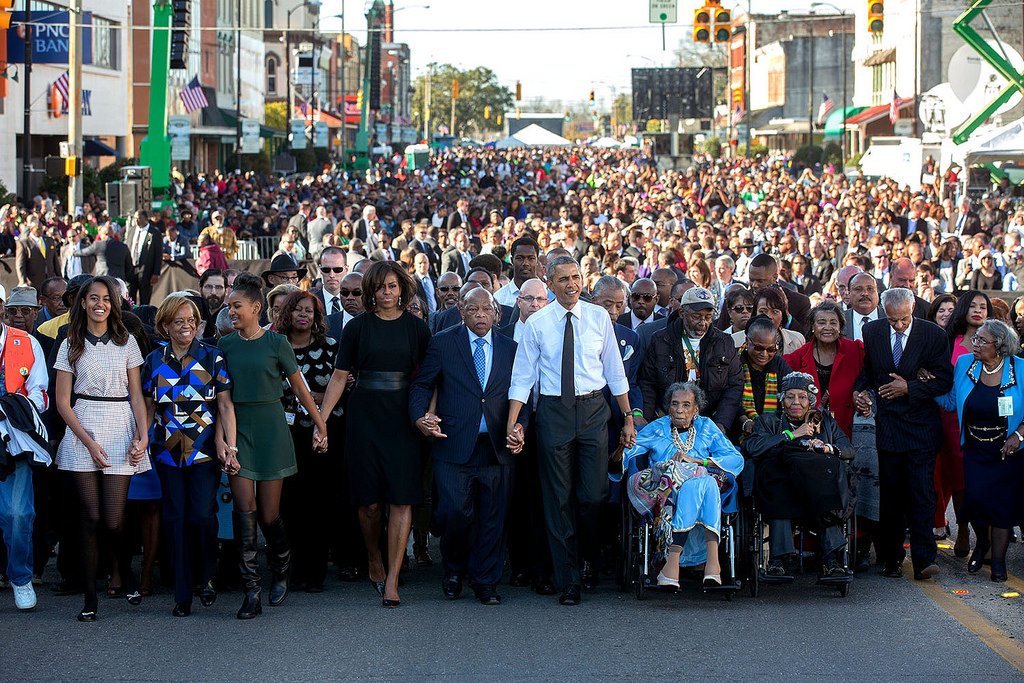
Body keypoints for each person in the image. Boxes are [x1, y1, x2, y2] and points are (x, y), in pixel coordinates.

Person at [507, 255, 635, 606]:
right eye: (563, 279)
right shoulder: (538, 323)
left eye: (576, 277)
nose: (571, 284)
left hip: (594, 410)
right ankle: (569, 578)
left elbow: (615, 371)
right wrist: (513, 422)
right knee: (557, 498)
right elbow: (522, 377)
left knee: (593, 496)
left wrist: (626, 418)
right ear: (549, 283)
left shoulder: (598, 318)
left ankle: (587, 556)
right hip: (552, 412)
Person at [318, 261, 431, 608]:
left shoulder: (417, 329)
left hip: (403, 418)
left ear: (402, 289)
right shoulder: (357, 329)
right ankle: (373, 557)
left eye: (393, 286)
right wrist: (321, 422)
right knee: (368, 503)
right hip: (364, 415)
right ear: (371, 290)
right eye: (380, 287)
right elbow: (339, 377)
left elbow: (428, 379)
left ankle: (393, 578)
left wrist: (425, 415)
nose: (386, 292)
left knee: (400, 498)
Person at [218, 272, 327, 619]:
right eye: (228, 307)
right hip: (239, 431)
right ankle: (251, 591)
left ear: (254, 307)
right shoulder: (225, 345)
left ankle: (282, 566)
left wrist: (321, 424)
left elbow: (299, 388)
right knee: (244, 511)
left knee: (268, 514)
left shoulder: (276, 343)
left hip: (272, 430)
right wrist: (225, 441)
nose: (231, 312)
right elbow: (221, 401)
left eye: (236, 306)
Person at [410, 287, 526, 605]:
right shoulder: (443, 342)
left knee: (493, 516)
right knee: (454, 514)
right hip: (454, 445)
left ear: (497, 313)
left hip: (496, 446)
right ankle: (454, 571)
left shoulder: (511, 348)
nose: (479, 315)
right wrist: (420, 416)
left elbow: (522, 392)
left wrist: (520, 426)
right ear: (461, 311)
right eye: (472, 309)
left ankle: (485, 581)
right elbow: (422, 384)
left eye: (486, 309)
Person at [54, 276, 150, 622]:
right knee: (90, 518)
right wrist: (89, 442)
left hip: (120, 423)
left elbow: (137, 395)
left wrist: (143, 436)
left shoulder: (127, 342)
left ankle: (126, 570)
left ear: (114, 303)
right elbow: (63, 403)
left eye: (106, 298)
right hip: (83, 426)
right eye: (93, 298)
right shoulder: (70, 343)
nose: (99, 304)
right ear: (82, 303)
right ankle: (90, 597)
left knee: (113, 520)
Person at [142, 295, 235, 617]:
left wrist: (228, 444)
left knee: (202, 516)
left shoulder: (213, 357)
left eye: (192, 321)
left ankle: (207, 576)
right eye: (179, 321)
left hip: (205, 449)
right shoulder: (154, 360)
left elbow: (224, 405)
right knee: (174, 519)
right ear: (166, 325)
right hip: (167, 452)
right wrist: (142, 440)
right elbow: (148, 407)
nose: (186, 327)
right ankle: (182, 594)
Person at [854, 287, 953, 581]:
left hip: (921, 426)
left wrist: (909, 387)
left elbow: (944, 381)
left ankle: (924, 559)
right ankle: (891, 557)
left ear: (912, 312)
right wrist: (861, 392)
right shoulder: (872, 332)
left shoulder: (933, 335)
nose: (898, 325)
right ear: (884, 313)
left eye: (903, 320)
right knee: (892, 496)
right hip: (889, 426)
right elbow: (869, 372)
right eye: (892, 320)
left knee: (921, 494)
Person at [623, 382, 743, 588]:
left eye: (686, 405)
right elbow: (630, 451)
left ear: (696, 409)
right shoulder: (658, 428)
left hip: (704, 486)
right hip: (668, 488)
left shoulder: (706, 427)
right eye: (675, 404)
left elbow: (735, 458)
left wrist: (698, 462)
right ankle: (712, 564)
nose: (679, 410)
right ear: (668, 407)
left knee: (702, 480)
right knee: (700, 483)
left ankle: (672, 564)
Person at [744, 372, 855, 583]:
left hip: (817, 490)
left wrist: (827, 447)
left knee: (829, 489)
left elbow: (848, 449)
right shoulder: (769, 421)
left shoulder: (826, 423)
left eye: (802, 397)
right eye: (790, 397)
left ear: (810, 401)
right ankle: (778, 560)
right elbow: (752, 447)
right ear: (782, 400)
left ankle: (832, 561)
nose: (796, 402)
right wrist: (791, 435)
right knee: (777, 485)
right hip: (781, 490)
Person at [936, 320, 1024, 583]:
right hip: (975, 449)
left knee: (1003, 506)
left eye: (981, 341)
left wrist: (1019, 435)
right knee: (976, 502)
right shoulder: (965, 365)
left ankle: (998, 561)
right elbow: (951, 401)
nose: (974, 344)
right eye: (975, 340)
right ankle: (982, 544)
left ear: (998, 345)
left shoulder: (1020, 369)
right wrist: (926, 386)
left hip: (1008, 451)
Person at [276, 290, 342, 593]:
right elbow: (274, 391)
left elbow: (340, 390)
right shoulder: (276, 346)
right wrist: (314, 395)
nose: (304, 315)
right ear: (288, 313)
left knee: (318, 504)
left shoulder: (329, 348)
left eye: (310, 312)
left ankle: (314, 573)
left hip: (322, 434)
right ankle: (289, 570)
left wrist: (312, 400)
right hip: (283, 435)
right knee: (289, 505)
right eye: (298, 310)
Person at [0, 284, 50, 611]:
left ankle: (20, 577)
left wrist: (10, 407)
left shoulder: (27, 343)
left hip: (13, 440)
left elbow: (41, 395)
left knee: (17, 514)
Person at [639, 286, 742, 434]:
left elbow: (734, 385)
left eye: (708, 317)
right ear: (682, 313)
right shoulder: (661, 340)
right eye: (696, 316)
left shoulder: (724, 342)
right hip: (668, 420)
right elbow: (647, 382)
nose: (702, 323)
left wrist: (721, 423)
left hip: (710, 421)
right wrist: (647, 422)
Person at [936, 290, 992, 553]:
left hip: (988, 418)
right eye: (973, 306)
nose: (978, 310)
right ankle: (963, 530)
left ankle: (987, 535)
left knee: (984, 478)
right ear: (964, 310)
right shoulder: (950, 340)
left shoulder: (997, 342)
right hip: (952, 419)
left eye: (983, 306)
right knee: (959, 479)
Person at [784, 300, 865, 438]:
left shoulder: (855, 350)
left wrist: (862, 392)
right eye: (821, 322)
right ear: (812, 327)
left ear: (840, 327)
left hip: (846, 430)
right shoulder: (797, 358)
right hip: (809, 432)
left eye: (833, 323)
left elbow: (870, 376)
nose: (828, 327)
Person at [733, 286, 805, 355]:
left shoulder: (797, 340)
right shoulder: (735, 341)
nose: (769, 316)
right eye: (763, 311)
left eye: (774, 312)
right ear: (755, 313)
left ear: (782, 315)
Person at [124, 211, 164, 305]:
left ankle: (143, 318)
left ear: (146, 219)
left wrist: (156, 272)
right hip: (131, 269)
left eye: (139, 218)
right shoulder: (131, 230)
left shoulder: (154, 233)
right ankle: (131, 316)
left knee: (144, 299)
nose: (136, 220)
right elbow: (127, 248)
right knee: (130, 298)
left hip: (146, 270)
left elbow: (158, 254)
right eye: (135, 218)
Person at [15, 217, 60, 289]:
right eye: (38, 229)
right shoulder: (24, 243)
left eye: (42, 228)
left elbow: (55, 262)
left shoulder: (49, 240)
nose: (41, 230)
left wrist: (59, 278)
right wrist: (23, 282)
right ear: (31, 229)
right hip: (33, 282)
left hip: (50, 280)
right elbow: (20, 265)